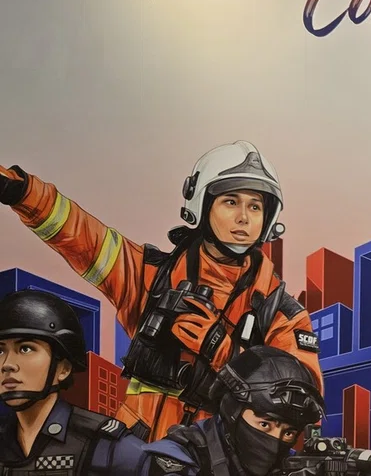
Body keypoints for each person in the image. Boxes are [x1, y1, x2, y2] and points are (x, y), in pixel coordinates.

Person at [0, 141, 324, 442]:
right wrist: (23, 192)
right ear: (202, 204)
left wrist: (223, 351)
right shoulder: (151, 275)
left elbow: (306, 401)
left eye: (255, 207)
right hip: (131, 453)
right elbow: (83, 236)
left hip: (217, 458)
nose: (243, 217)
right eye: (230, 202)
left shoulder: (280, 313)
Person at [0, 289, 146, 475]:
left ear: (63, 369)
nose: (7, 364)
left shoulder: (104, 444)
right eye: (0, 351)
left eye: (26, 349)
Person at [123, 345, 325, 476]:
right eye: (265, 424)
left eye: (289, 433)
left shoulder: (294, 465)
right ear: (233, 410)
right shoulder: (182, 456)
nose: (274, 442)